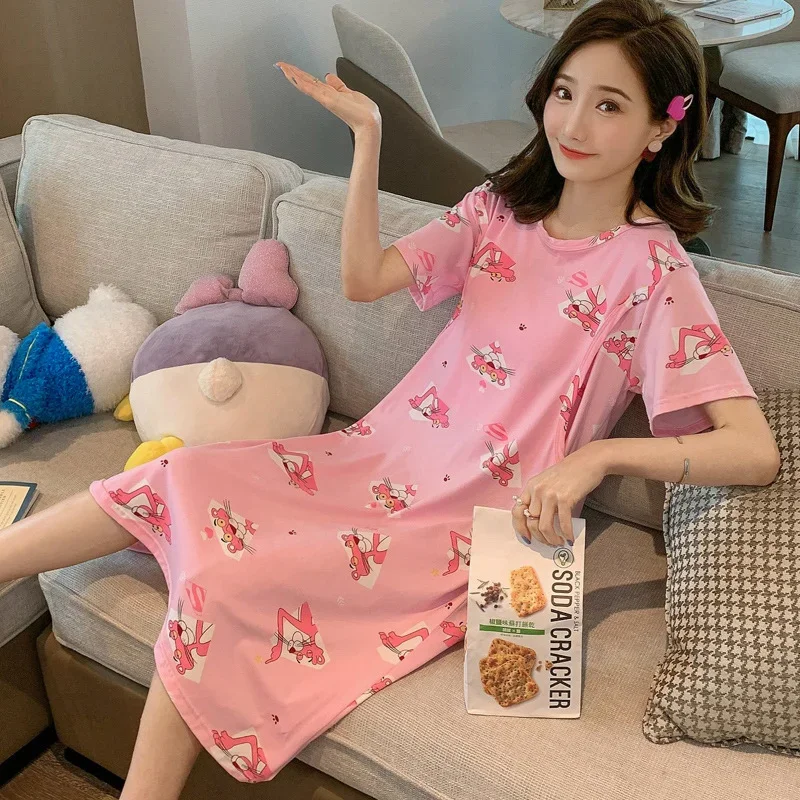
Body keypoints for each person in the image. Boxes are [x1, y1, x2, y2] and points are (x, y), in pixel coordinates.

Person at [0, 0, 780, 795]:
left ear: (660, 129)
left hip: (464, 523)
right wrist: (367, 137)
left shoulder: (655, 274)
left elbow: (752, 452)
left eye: (609, 105)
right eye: (565, 92)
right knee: (182, 472)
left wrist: (600, 457)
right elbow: (364, 278)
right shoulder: (499, 208)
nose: (574, 122)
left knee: (227, 585)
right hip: (374, 458)